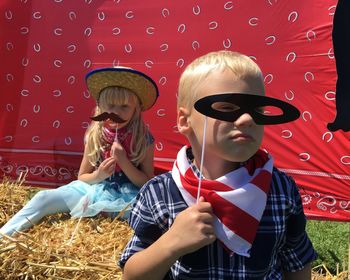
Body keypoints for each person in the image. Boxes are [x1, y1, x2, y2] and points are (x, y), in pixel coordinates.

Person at [119, 51, 317, 279]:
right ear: (185, 121)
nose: (246, 119)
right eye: (226, 108)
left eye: (258, 111)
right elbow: (131, 275)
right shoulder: (159, 194)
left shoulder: (281, 189)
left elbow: (296, 261)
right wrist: (170, 244)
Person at [0, 67, 159, 237]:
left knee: (150, 216)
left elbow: (146, 182)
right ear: (101, 105)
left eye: (125, 106)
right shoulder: (96, 134)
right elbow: (82, 176)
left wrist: (124, 162)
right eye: (111, 105)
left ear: (136, 108)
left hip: (128, 199)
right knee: (43, 198)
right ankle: (4, 236)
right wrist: (99, 175)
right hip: (93, 191)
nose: (116, 113)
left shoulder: (143, 139)